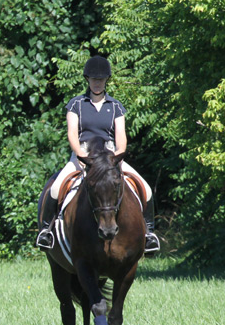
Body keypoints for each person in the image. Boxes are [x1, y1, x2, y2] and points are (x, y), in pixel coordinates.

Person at [36, 56, 160, 254]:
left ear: (106, 81)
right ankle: (46, 232)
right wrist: (82, 157)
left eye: (100, 79)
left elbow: (122, 138)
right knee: (55, 188)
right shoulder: (76, 104)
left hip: (110, 158)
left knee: (145, 188)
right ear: (88, 79)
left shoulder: (116, 107)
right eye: (94, 79)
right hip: (83, 156)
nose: (97, 83)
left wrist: (114, 160)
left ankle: (149, 234)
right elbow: (72, 134)